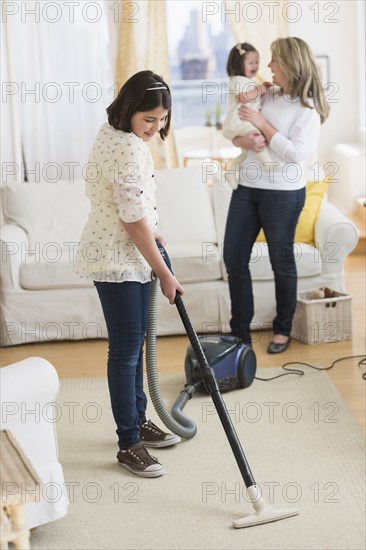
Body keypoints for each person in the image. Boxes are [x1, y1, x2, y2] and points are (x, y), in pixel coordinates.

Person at [74, 70, 184, 478]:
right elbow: (131, 216)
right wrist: (166, 273)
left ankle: (138, 421)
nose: (156, 128)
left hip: (127, 250)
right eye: (149, 119)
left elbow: (121, 202)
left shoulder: (113, 133)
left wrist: (149, 231)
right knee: (124, 351)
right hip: (117, 259)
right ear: (130, 110)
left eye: (162, 119)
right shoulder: (128, 149)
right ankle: (128, 444)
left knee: (134, 344)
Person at [223, 37, 330, 352]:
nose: (268, 66)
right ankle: (240, 334)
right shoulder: (266, 94)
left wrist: (262, 125)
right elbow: (236, 131)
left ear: (289, 65)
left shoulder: (307, 109)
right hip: (247, 187)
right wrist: (247, 140)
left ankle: (282, 329)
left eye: (273, 60)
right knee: (234, 257)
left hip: (282, 194)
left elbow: (295, 154)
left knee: (281, 262)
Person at [222, 42, 274, 189]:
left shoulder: (250, 81)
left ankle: (231, 173)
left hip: (244, 121)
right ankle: (269, 165)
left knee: (245, 153)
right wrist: (261, 89)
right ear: (238, 64)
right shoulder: (237, 80)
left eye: (257, 62)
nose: (255, 66)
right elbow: (243, 97)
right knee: (257, 136)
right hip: (238, 120)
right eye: (250, 62)